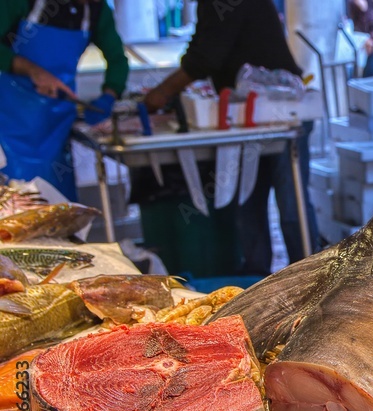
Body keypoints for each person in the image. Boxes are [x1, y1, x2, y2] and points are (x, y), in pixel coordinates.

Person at [144, 0, 322, 275]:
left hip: (282, 109)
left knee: (291, 204)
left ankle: (313, 280)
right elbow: (202, 46)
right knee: (248, 200)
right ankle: (256, 279)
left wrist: (162, 92)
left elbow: (204, 57)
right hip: (246, 114)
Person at [0, 0, 126, 201]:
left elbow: (118, 59)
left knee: (59, 213)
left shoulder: (96, 11)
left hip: (57, 126)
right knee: (16, 211)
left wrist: (109, 95)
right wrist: (32, 71)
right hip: (9, 123)